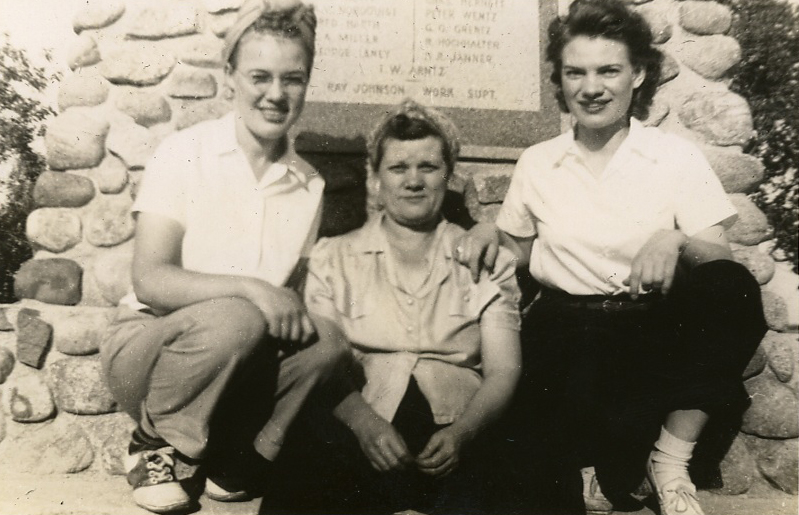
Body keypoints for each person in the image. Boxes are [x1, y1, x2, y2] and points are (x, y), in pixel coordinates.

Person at [455, 1, 767, 514]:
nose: (591, 87)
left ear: (638, 74)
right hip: (564, 331)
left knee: (732, 288)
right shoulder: (539, 162)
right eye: (575, 72)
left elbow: (719, 261)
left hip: (649, 328)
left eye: (608, 70)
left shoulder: (673, 157)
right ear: (560, 79)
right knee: (515, 480)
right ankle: (607, 469)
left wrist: (674, 240)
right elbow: (520, 253)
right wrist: (492, 231)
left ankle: (669, 460)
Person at [99, 1, 349, 513]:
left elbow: (289, 309)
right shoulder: (183, 151)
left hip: (235, 364)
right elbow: (150, 279)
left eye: (293, 79)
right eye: (259, 76)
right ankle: (153, 445)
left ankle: (242, 453)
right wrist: (253, 289)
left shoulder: (309, 185)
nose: (276, 95)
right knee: (239, 315)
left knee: (327, 340)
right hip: (149, 352)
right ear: (230, 76)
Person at [297, 100, 523, 514]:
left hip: (457, 429)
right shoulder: (332, 259)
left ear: (448, 175)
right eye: (399, 168)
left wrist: (463, 433)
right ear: (376, 179)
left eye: (428, 168)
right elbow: (319, 367)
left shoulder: (489, 263)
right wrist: (363, 424)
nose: (413, 181)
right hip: (360, 423)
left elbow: (504, 370)